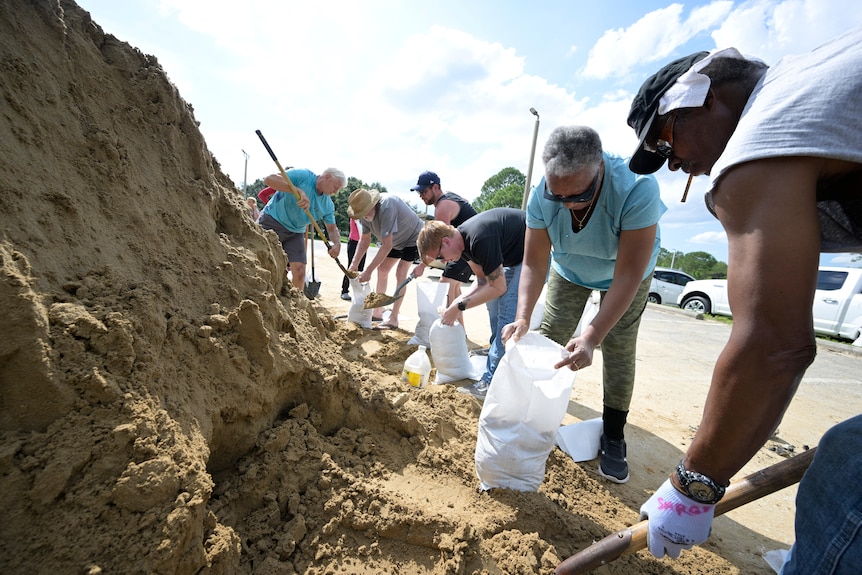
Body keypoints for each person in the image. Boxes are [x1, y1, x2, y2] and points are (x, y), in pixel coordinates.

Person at [627, 28, 862, 572]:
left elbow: (774, 348)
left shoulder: (764, 131)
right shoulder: (813, 86)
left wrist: (692, 485)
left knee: (847, 475)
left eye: (665, 142)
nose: (674, 165)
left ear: (698, 97)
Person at [501, 125, 665, 483]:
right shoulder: (541, 195)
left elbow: (627, 275)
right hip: (570, 269)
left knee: (618, 346)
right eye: (556, 196)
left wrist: (591, 336)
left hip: (624, 275)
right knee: (549, 336)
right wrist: (523, 316)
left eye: (577, 196)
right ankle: (538, 416)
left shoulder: (637, 187)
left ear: (600, 170)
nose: (566, 205)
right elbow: (533, 262)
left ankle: (614, 433)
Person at [417, 208, 526, 400]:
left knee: (507, 311)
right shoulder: (462, 245)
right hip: (512, 258)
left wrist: (459, 307)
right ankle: (497, 350)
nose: (444, 262)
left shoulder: (479, 239)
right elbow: (484, 282)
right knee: (493, 304)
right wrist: (457, 303)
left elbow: (498, 287)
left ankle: (492, 381)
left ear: (446, 241)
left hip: (528, 258)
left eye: (440, 257)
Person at [347, 188, 426, 329]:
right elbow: (364, 241)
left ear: (372, 205)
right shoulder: (363, 215)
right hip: (395, 240)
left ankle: (393, 318)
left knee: (401, 271)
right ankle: (377, 312)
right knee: (382, 270)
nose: (363, 217)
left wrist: (368, 271)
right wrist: (354, 264)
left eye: (365, 213)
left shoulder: (387, 207)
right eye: (361, 214)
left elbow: (386, 245)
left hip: (413, 237)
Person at [259, 167, 346, 292]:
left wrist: (337, 244)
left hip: (295, 232)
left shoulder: (328, 205)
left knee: (300, 271)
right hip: (272, 221)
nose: (336, 192)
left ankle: (296, 306)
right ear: (327, 177)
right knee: (264, 262)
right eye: (336, 187)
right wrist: (297, 191)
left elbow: (332, 229)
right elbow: (269, 179)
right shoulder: (303, 175)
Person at [412, 170, 478, 325]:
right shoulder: (450, 196)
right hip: (470, 246)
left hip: (468, 247)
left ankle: (449, 328)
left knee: (446, 282)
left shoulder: (442, 207)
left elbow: (436, 244)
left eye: (424, 191)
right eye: (419, 192)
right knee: (454, 287)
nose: (421, 195)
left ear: (436, 187)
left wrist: (422, 266)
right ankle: (459, 331)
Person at [340, 218, 366, 300]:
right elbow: (361, 229)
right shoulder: (356, 214)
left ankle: (358, 293)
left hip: (364, 243)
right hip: (354, 243)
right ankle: (344, 290)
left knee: (361, 269)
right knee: (352, 267)